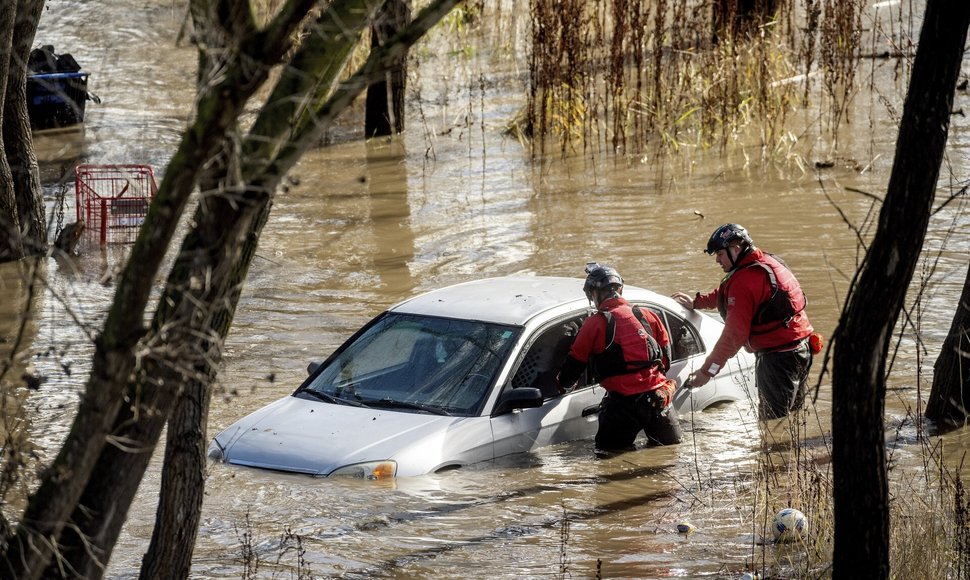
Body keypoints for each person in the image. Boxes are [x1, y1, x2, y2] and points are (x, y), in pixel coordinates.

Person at [672, 223, 815, 419]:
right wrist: (697, 302)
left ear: (736, 249)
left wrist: (707, 372)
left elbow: (733, 337)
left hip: (777, 358)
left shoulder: (745, 280)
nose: (717, 260)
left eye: (720, 254)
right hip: (802, 349)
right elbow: (729, 292)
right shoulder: (767, 261)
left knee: (772, 423)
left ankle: (777, 450)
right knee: (795, 417)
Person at [558, 262, 682, 454]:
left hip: (622, 407)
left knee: (609, 461)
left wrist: (562, 386)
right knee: (671, 457)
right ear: (620, 289)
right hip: (658, 399)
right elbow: (665, 359)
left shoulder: (595, 323)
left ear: (594, 294)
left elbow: (575, 363)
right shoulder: (648, 315)